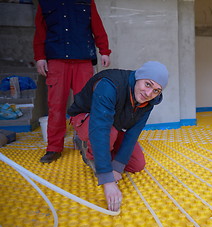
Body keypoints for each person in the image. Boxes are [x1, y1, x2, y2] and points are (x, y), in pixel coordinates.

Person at [67, 61, 169, 212]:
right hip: (88, 119)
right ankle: (88, 150)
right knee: (108, 134)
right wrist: (107, 178)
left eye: (156, 90)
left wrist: (117, 167)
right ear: (138, 77)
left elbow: (133, 132)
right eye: (148, 84)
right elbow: (100, 128)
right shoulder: (110, 85)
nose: (149, 94)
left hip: (113, 123)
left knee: (137, 164)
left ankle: (103, 152)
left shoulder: (149, 101)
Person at [33, 0, 111, 163]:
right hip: (56, 61)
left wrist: (104, 50)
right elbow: (40, 32)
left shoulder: (87, 2)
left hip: (83, 60)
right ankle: (54, 148)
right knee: (56, 106)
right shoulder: (44, 3)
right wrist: (40, 57)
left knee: (86, 105)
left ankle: (88, 144)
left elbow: (97, 26)